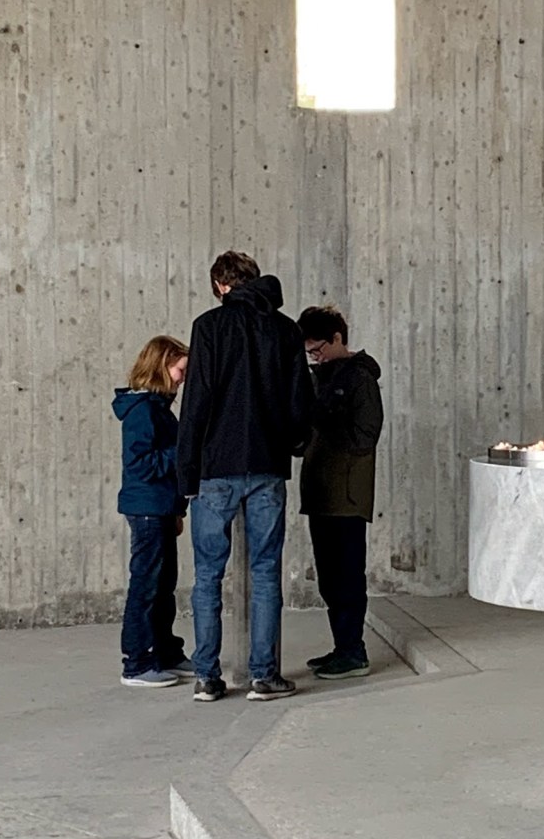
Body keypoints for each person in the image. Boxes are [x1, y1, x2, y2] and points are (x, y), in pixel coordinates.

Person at [177, 251, 314, 703]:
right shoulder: (286, 329)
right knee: (266, 571)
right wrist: (292, 444)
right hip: (267, 466)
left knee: (207, 575)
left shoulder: (208, 327)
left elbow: (196, 403)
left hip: (216, 468)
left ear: (221, 285)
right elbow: (300, 401)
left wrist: (186, 474)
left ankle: (207, 677)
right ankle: (263, 675)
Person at [298, 304, 384, 679]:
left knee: (347, 576)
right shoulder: (320, 378)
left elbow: (366, 436)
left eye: (318, 349)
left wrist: (323, 420)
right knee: (330, 578)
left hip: (347, 494)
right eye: (309, 353)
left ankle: (353, 651)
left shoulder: (359, 378)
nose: (315, 357)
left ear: (337, 338)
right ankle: (343, 646)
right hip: (320, 492)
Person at [112, 335, 193, 688]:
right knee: (146, 585)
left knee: (163, 585)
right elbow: (140, 464)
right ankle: (137, 663)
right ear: (163, 365)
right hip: (147, 509)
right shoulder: (143, 410)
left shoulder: (158, 408)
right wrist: (182, 452)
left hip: (160, 508)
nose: (183, 378)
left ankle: (166, 652)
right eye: (180, 370)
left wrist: (176, 510)